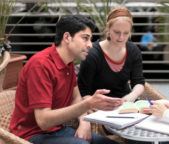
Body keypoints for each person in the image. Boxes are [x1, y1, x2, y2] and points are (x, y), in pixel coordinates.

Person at [10, 15, 122, 144]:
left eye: (90, 39)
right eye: (85, 38)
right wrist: (89, 104)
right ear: (67, 37)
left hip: (57, 130)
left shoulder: (68, 63)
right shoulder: (40, 65)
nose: (90, 45)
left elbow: (76, 98)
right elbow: (43, 121)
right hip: (30, 136)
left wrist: (84, 123)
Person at [78, 6, 145, 102]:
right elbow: (83, 90)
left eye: (126, 33)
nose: (121, 37)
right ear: (108, 27)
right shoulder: (92, 54)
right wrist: (92, 105)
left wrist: (132, 95)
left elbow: (138, 81)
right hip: (98, 106)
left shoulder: (133, 51)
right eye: (117, 32)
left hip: (124, 105)